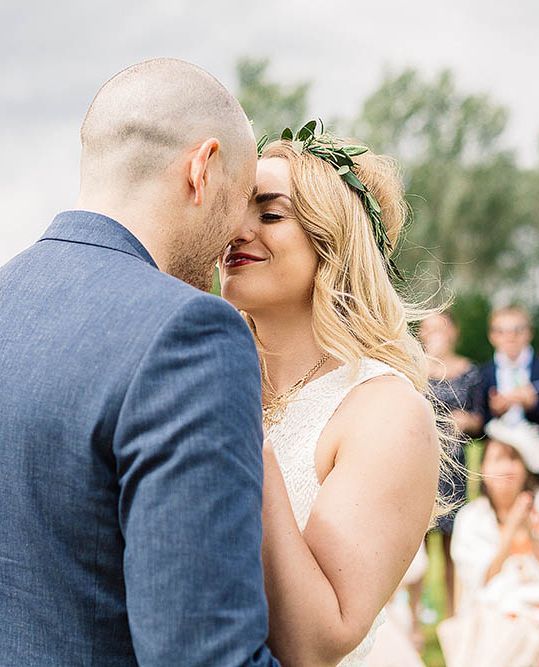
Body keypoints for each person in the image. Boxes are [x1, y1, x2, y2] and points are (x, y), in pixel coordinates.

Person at [0, 59, 279, 666]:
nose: (236, 233)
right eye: (241, 199)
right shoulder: (189, 333)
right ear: (202, 170)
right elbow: (203, 654)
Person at [219, 125, 441, 666]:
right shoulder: (215, 375)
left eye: (270, 214)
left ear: (333, 244)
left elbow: (314, 642)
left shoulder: (384, 412)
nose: (235, 230)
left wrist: (243, 436)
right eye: (231, 210)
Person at [441, 418, 539, 666]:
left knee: (534, 626)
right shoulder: (472, 517)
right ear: (483, 468)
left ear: (525, 467)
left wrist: (530, 531)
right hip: (493, 612)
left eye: (513, 459)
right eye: (497, 459)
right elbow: (478, 582)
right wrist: (510, 531)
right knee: (505, 627)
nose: (505, 467)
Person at [417, 311, 485, 622]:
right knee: (415, 550)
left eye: (441, 327)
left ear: (454, 332)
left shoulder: (470, 372)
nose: (435, 334)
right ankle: (412, 618)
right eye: (428, 328)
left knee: (452, 549)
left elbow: (481, 421)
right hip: (419, 467)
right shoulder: (411, 370)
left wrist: (467, 422)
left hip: (454, 469)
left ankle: (453, 617)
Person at [480, 305, 539, 490]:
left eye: (517, 330)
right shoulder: (483, 373)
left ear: (529, 333)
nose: (510, 337)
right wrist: (496, 412)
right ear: (492, 336)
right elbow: (477, 429)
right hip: (499, 467)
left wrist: (534, 405)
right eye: (502, 331)